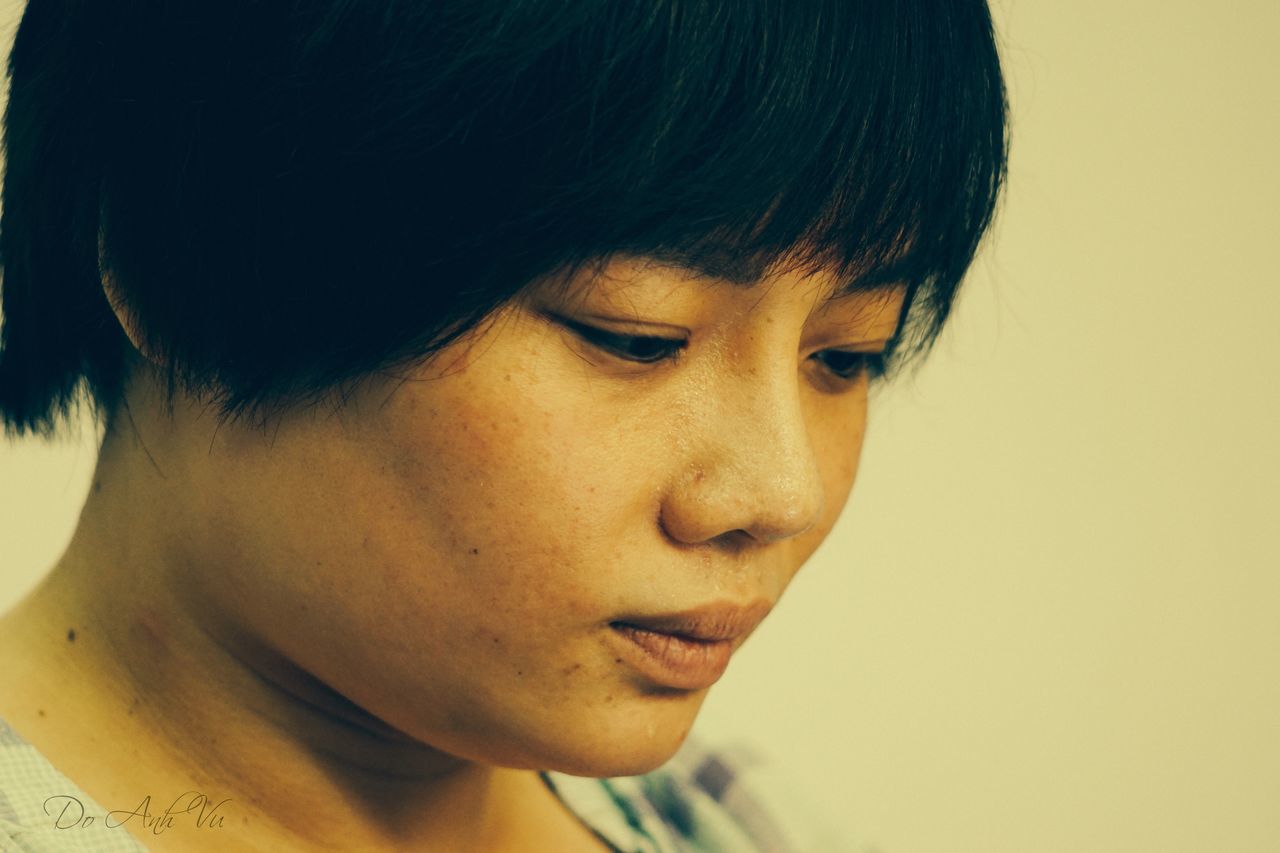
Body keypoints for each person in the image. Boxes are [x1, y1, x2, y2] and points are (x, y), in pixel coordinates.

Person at [0, 0, 1007, 849]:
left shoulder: (724, 821)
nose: (780, 494)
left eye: (845, 355)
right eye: (636, 334)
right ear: (172, 271)